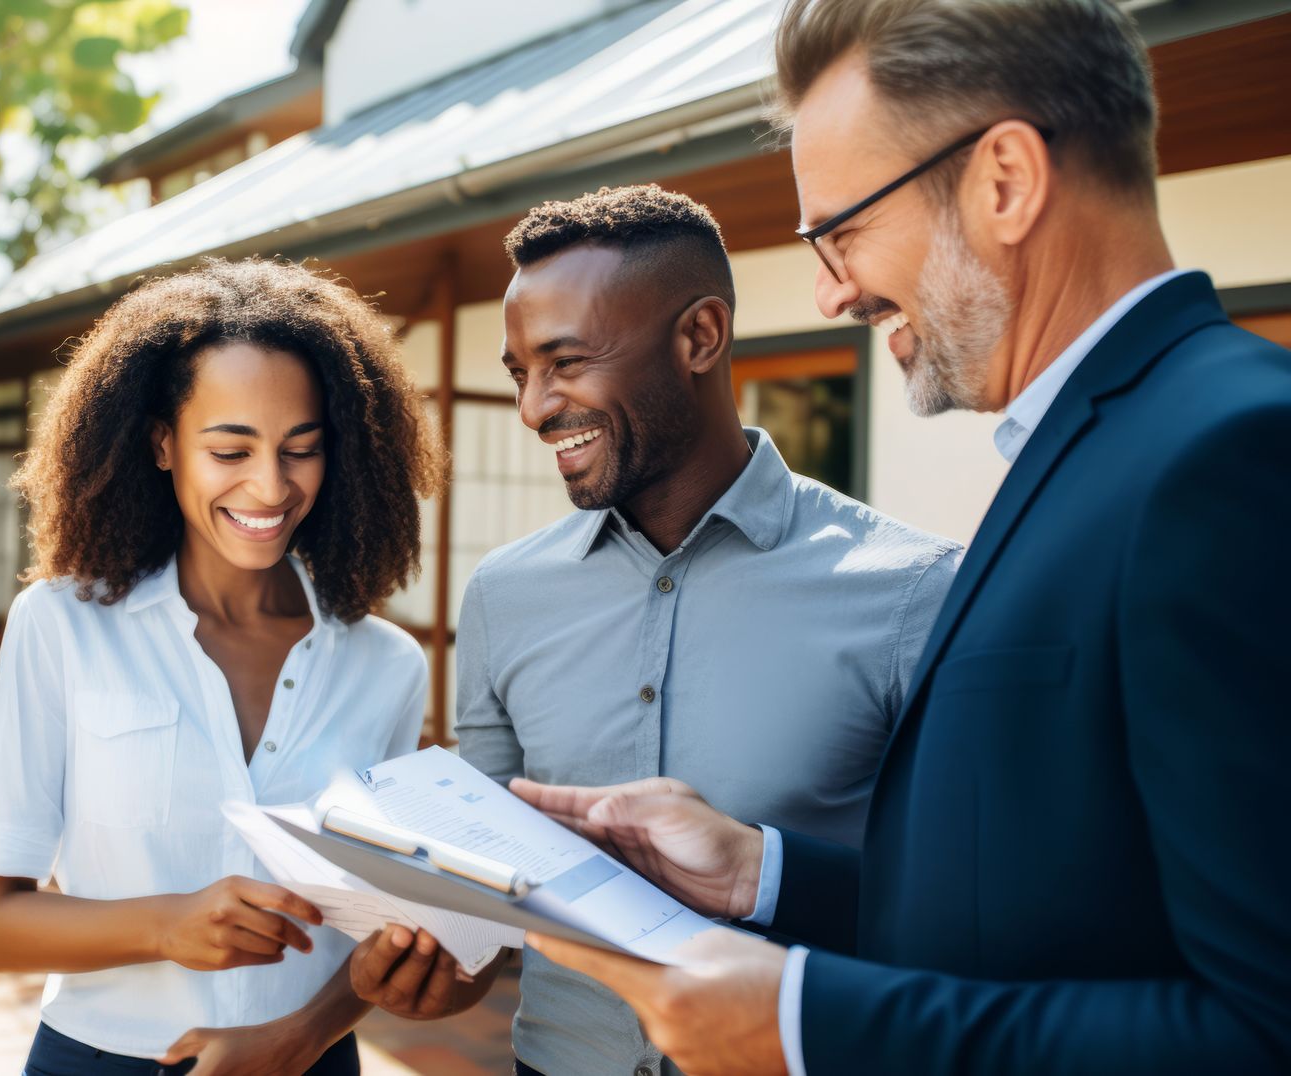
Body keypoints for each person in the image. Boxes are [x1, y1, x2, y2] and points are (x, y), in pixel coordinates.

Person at [516, 2, 1291, 1074]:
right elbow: (1045, 906)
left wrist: (804, 1018)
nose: (833, 290)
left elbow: (1267, 1025)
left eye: (842, 231)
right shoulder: (1085, 450)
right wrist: (762, 871)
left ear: (1005, 180)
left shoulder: (1232, 454)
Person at [346, 184, 961, 1076]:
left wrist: (770, 869)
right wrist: (440, 966)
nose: (534, 408)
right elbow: (479, 893)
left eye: (566, 360)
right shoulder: (504, 594)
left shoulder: (913, 593)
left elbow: (967, 916)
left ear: (700, 337)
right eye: (522, 372)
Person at [0, 259, 444, 1075]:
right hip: (99, 1060)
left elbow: (386, 926)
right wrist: (167, 924)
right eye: (230, 448)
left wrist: (301, 1035)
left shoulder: (385, 665)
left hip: (309, 1061)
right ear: (162, 445)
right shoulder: (64, 627)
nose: (270, 485)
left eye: (302, 449)